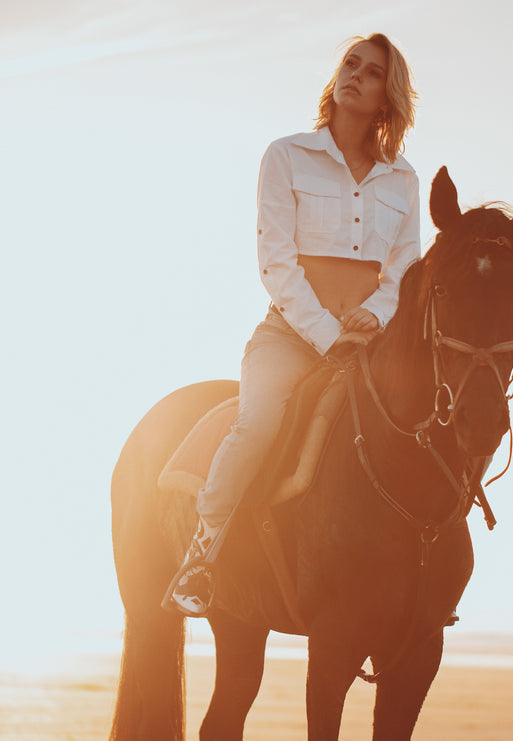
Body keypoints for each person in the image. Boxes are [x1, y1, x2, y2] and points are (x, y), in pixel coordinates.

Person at [166, 33, 420, 616]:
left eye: (372, 71)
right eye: (349, 65)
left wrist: (375, 316)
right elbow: (275, 263)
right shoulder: (285, 156)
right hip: (290, 336)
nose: (355, 74)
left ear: (389, 95)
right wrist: (330, 335)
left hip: (371, 344)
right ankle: (202, 556)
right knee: (258, 423)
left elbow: (406, 271)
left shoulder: (403, 180)